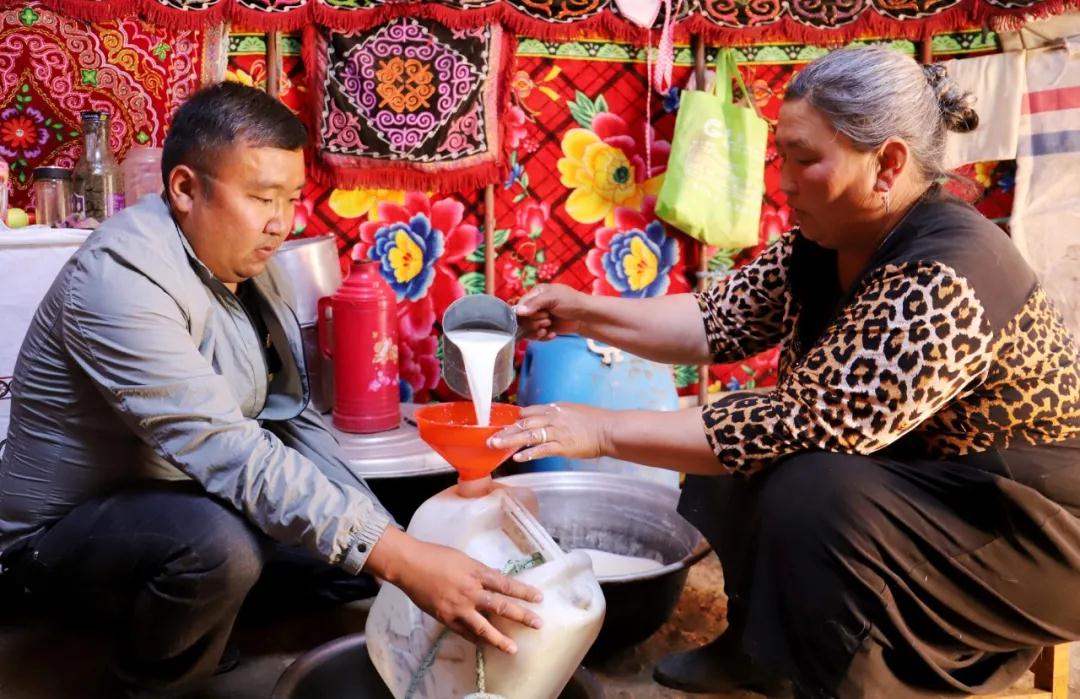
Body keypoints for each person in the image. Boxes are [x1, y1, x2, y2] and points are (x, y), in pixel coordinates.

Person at [493, 46, 1080, 698]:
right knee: (744, 445)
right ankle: (760, 649)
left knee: (810, 487)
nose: (785, 182)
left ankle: (854, 681)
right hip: (935, 490)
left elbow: (805, 421)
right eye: (782, 158)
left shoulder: (947, 274)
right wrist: (585, 314)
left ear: (887, 164)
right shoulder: (830, 239)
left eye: (805, 160)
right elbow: (715, 321)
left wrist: (600, 431)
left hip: (1029, 531)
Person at [0, 82, 542, 694]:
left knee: (362, 549)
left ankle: (201, 616)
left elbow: (292, 419)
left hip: (186, 496)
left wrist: (391, 543)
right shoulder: (119, 279)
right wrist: (402, 559)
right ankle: (146, 681)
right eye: (261, 197)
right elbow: (225, 448)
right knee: (219, 548)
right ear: (185, 189)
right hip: (57, 545)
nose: (280, 223)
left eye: (290, 198)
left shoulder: (248, 269)